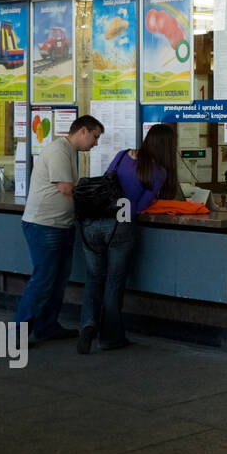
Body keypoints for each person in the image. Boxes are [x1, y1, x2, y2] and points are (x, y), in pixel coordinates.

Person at [77, 123, 179, 354]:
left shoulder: (123, 155)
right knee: (114, 281)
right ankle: (110, 338)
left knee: (93, 278)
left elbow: (105, 182)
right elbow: (139, 207)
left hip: (93, 223)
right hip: (120, 227)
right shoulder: (159, 171)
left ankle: (87, 325)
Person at [15, 115, 103, 343]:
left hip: (61, 225)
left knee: (57, 281)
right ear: (83, 131)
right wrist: (94, 202)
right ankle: (18, 334)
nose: (96, 143)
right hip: (45, 226)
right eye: (95, 137)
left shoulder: (69, 152)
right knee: (43, 279)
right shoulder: (58, 150)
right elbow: (65, 188)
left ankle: (47, 327)